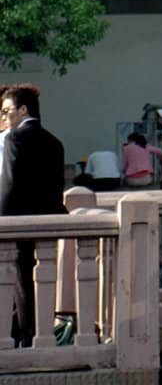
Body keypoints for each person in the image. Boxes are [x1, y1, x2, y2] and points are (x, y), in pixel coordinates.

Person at [0, 85, 66, 347]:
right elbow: (55, 186)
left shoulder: (13, 138)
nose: (5, 117)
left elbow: (9, 183)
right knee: (34, 277)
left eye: (7, 111)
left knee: (20, 278)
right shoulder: (55, 142)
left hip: (17, 220)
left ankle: (25, 334)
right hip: (49, 219)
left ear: (23, 110)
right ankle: (26, 331)